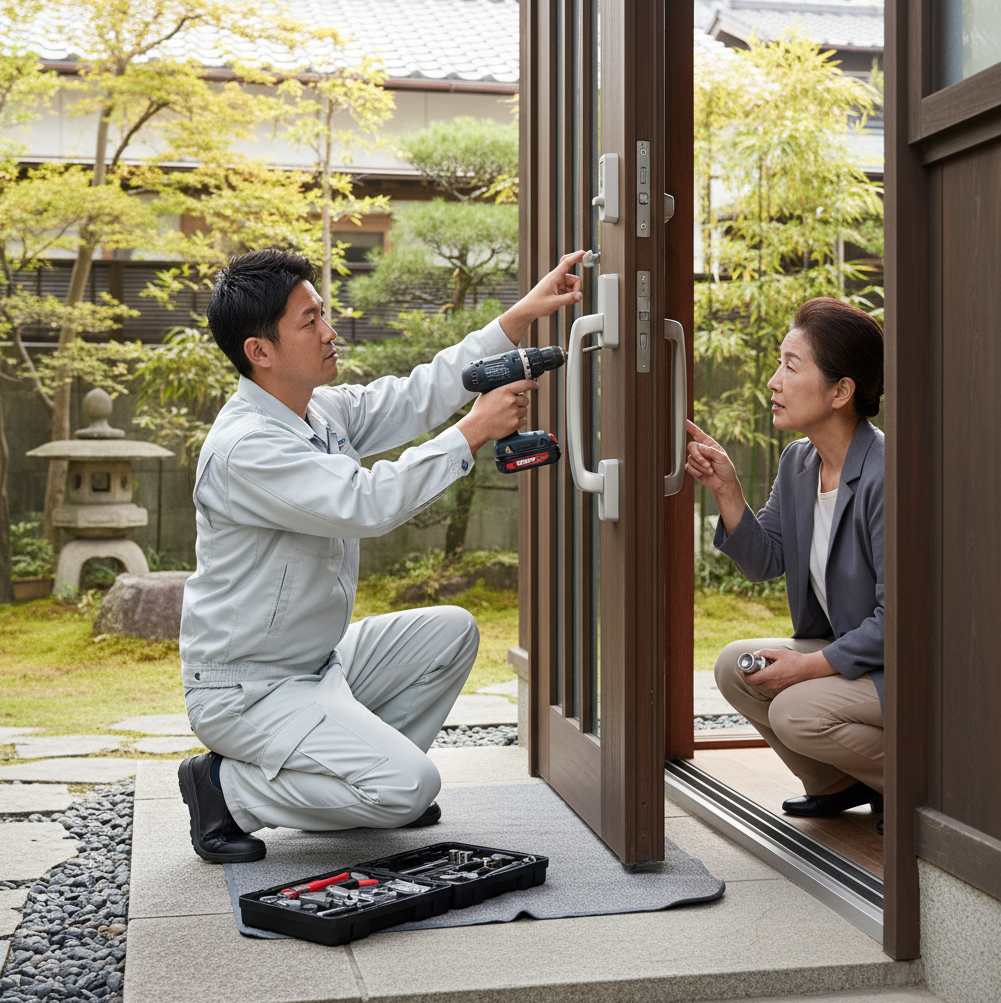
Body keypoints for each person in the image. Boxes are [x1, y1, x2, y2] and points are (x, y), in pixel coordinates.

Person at [177, 247, 585, 863]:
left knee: (450, 632)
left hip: (318, 663)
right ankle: (225, 790)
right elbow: (365, 503)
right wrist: (474, 431)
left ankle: (360, 789)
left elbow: (420, 393)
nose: (328, 331)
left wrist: (521, 315)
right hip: (250, 688)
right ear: (259, 351)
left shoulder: (317, 411)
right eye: (308, 322)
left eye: (322, 314)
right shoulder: (246, 449)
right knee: (411, 786)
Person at [685, 297, 885, 827]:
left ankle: (921, 787)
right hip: (849, 651)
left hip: (901, 666)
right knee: (736, 666)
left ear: (841, 391)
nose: (773, 381)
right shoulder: (799, 461)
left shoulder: (888, 475)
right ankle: (837, 783)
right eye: (779, 363)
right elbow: (765, 559)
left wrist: (811, 665)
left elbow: (901, 620)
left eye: (790, 367)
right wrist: (727, 490)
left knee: (795, 711)